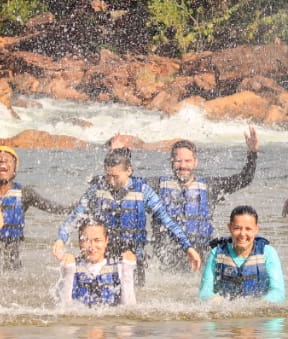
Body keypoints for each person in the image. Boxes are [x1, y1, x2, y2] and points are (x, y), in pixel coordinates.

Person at [52, 148, 202, 285]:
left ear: (128, 171)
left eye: (116, 177)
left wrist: (187, 248)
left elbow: (167, 221)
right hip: (102, 256)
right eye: (108, 176)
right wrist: (61, 239)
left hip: (134, 259)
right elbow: (75, 217)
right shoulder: (96, 190)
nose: (111, 181)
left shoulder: (143, 191)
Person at [151, 125, 260, 270]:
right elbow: (126, 181)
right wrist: (116, 153)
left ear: (195, 162)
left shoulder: (210, 188)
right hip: (166, 262)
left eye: (188, 161)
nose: (182, 166)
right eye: (178, 161)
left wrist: (252, 153)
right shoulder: (156, 187)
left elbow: (244, 178)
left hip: (200, 259)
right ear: (171, 162)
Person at [199, 205, 286, 303]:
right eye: (237, 228)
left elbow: (278, 292)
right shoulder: (216, 253)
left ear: (256, 229)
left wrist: (259, 305)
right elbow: (204, 293)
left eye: (248, 229)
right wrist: (220, 303)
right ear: (230, 227)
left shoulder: (268, 253)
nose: (242, 234)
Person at [56, 219, 137, 307]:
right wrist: (68, 271)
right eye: (86, 240)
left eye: (97, 240)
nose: (92, 246)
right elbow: (64, 309)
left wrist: (127, 270)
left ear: (106, 241)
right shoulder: (73, 267)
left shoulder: (119, 267)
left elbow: (129, 308)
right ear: (79, 242)